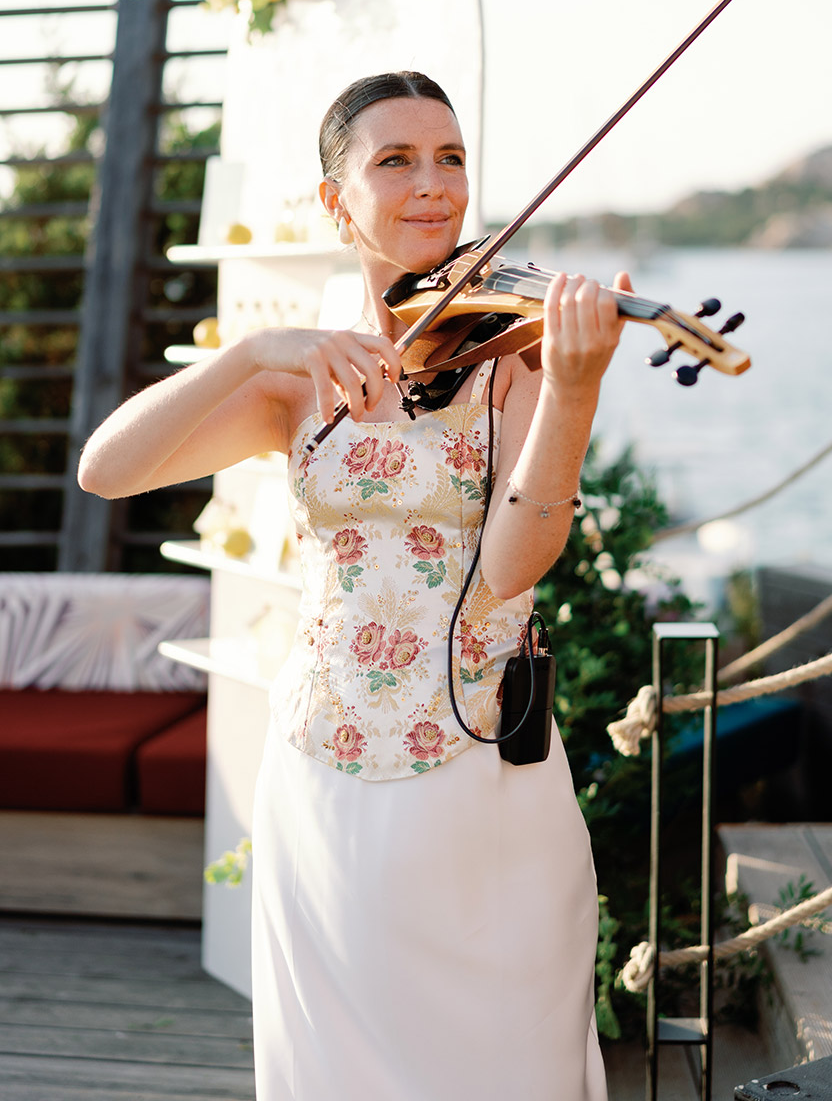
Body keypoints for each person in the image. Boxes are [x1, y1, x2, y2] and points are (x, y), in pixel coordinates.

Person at [78, 70, 632, 1101]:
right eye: (397, 160)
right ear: (336, 202)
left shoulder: (516, 358)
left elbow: (512, 565)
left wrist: (573, 388)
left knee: (508, 1057)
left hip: (480, 769)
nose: (434, 184)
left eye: (451, 158)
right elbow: (106, 471)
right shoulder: (300, 380)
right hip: (322, 768)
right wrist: (252, 351)